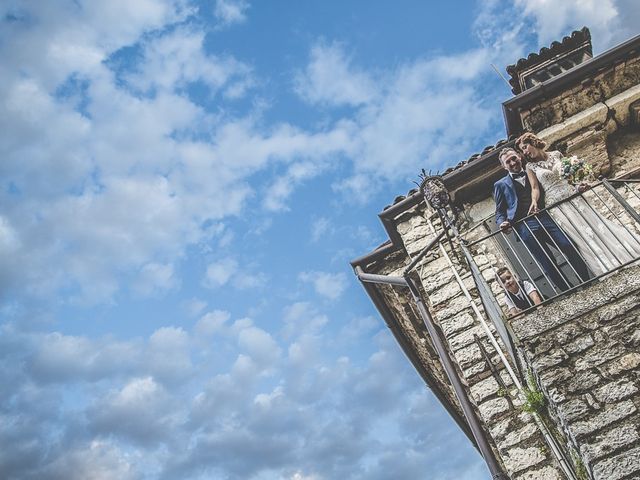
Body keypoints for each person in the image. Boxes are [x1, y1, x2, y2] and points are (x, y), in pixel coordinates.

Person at [517, 132, 640, 276]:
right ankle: (607, 266)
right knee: (581, 236)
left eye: (525, 147)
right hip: (557, 206)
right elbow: (535, 188)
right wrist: (534, 201)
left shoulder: (556, 154)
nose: (525, 152)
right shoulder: (530, 167)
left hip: (574, 196)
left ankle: (623, 255)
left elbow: (570, 176)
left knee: (596, 225)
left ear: (533, 143)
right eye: (522, 150)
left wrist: (579, 185)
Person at [494, 147, 590, 292]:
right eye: (508, 161)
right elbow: (500, 211)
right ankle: (568, 291)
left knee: (568, 245)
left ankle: (586, 282)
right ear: (503, 166)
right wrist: (502, 223)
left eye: (514, 158)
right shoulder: (500, 185)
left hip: (546, 216)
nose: (513, 163)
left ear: (519, 156)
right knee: (547, 261)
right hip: (524, 226)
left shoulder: (532, 170)